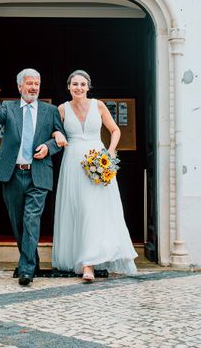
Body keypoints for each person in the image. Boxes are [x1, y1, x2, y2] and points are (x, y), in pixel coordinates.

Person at [51, 70, 137, 281]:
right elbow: (51, 129)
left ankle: (89, 264)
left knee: (95, 210)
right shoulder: (62, 109)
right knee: (77, 210)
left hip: (97, 161)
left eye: (82, 84)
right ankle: (81, 259)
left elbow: (115, 130)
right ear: (68, 87)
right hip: (72, 163)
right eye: (74, 84)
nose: (78, 87)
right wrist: (57, 133)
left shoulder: (98, 105)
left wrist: (111, 151)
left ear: (88, 87)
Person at [0, 69, 64, 286]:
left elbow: (60, 138)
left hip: (38, 173)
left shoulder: (51, 111)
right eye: (29, 83)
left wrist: (48, 148)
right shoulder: (8, 108)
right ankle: (32, 260)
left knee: (31, 219)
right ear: (20, 86)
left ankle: (26, 269)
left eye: (37, 83)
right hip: (11, 174)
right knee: (18, 222)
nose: (34, 87)